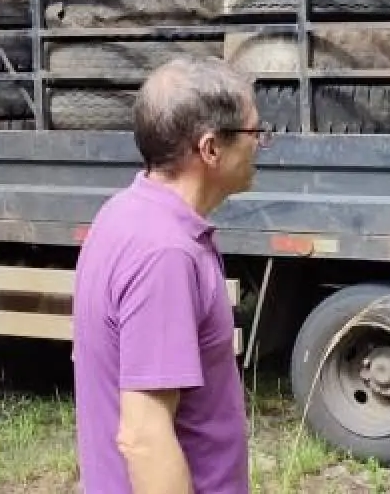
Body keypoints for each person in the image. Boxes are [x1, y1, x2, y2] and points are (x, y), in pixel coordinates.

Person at [71, 58, 272, 494]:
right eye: (255, 133)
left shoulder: (125, 214)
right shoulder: (165, 254)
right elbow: (144, 436)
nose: (262, 144)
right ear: (211, 149)